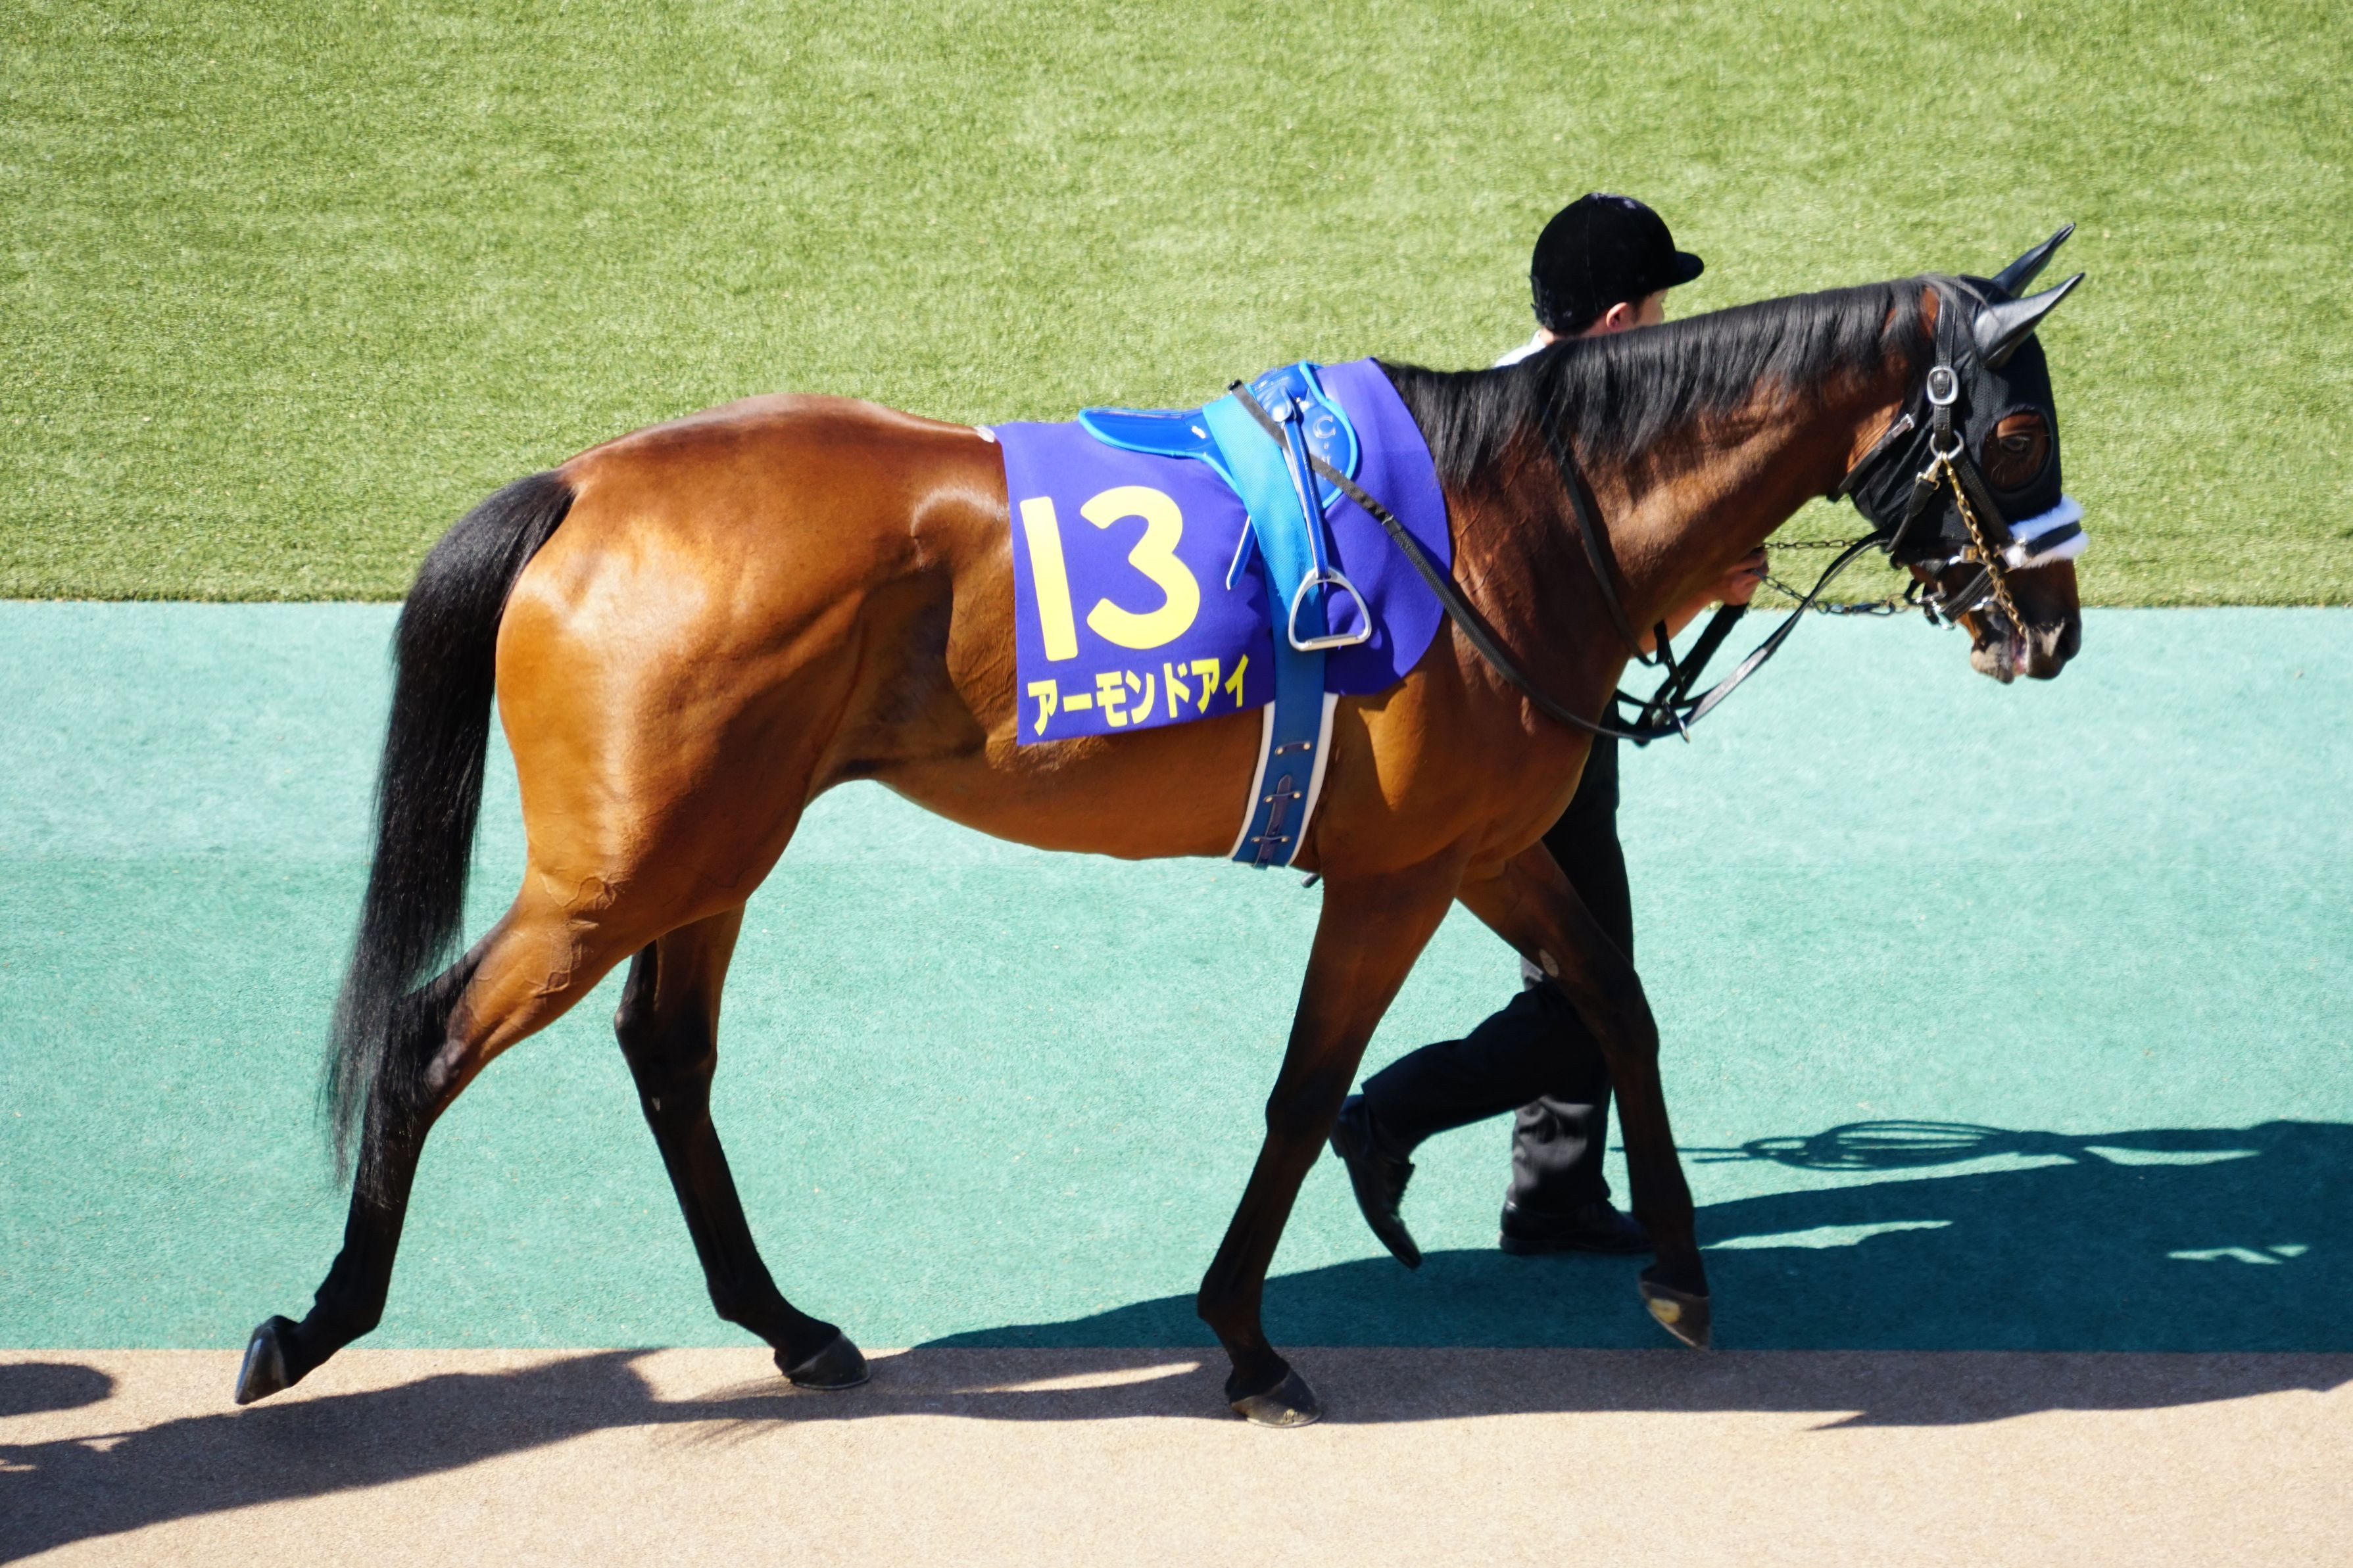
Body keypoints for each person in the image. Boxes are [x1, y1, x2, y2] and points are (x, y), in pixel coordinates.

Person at [1328, 193, 1766, 1263]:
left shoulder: (1499, 397)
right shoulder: (1580, 444)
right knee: (1595, 992)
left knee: (1575, 968)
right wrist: (1707, 594)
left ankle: (1556, 1192)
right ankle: (1387, 1114)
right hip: (1533, 744)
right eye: (1656, 309)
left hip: (1520, 730)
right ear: (1616, 323)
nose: (1664, 328)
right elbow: (1586, 639)